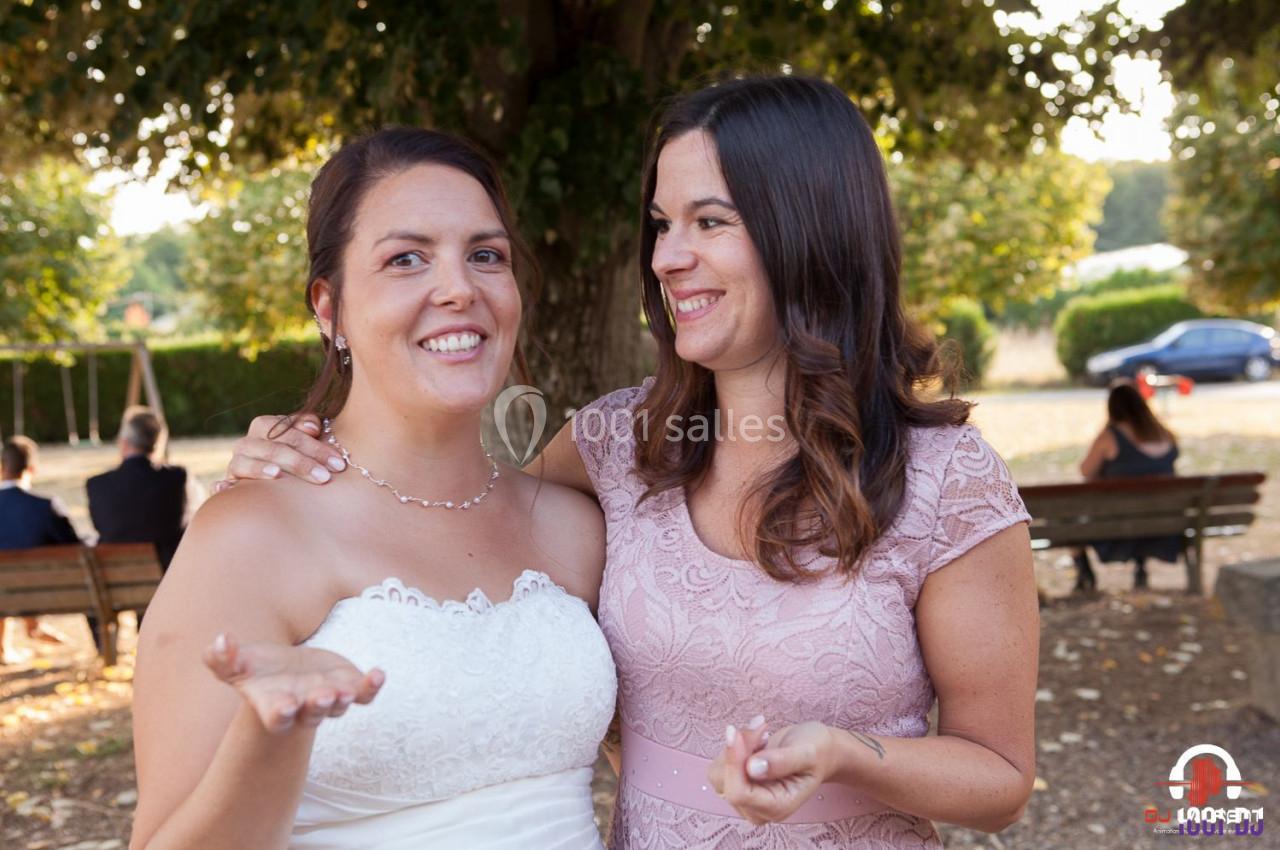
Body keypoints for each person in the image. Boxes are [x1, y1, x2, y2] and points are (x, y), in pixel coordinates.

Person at [222, 76, 1039, 848]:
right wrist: (307, 452)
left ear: (811, 231)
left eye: (710, 222)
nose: (665, 258)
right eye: (662, 223)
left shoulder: (947, 481)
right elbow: (455, 523)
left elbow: (1000, 778)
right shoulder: (616, 443)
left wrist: (848, 755)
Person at [129, 128, 615, 850]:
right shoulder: (251, 534)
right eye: (406, 259)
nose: (459, 288)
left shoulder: (575, 525)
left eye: (486, 255)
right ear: (329, 309)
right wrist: (273, 735)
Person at [1072, 380, 1180, 592]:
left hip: (1114, 523)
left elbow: (1085, 470)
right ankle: (1140, 565)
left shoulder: (1111, 436)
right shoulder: (1165, 435)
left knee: (1068, 519)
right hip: (1164, 522)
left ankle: (1084, 573)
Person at [0, 436, 81, 660]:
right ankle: (32, 627)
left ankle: (7, 643)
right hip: (40, 593)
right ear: (32, 469)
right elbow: (75, 549)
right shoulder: (45, 507)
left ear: (1, 468)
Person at [87, 405, 196, 571]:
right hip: (166, 576)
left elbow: (100, 527)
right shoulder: (176, 478)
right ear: (156, 443)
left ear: (124, 443)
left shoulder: (97, 485)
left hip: (115, 574)